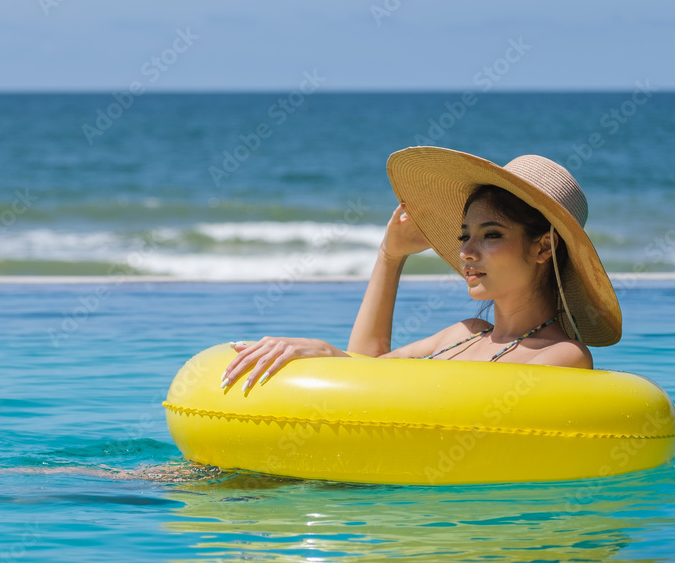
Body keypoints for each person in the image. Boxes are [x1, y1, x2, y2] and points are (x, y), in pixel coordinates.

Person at [221, 146, 622, 391]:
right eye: (465, 235)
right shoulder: (462, 334)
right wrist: (390, 257)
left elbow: (462, 409)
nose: (466, 251)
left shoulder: (562, 355)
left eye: (492, 234)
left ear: (543, 247)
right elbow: (365, 372)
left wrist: (329, 354)